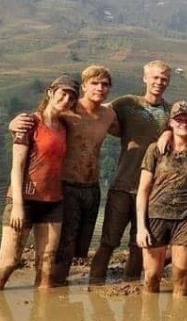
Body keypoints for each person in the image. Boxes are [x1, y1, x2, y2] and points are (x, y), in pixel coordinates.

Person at [8, 65, 117, 285]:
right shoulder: (69, 109)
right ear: (84, 86)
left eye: (105, 84)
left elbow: (132, 129)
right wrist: (14, 125)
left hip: (90, 187)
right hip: (64, 186)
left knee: (77, 248)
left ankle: (58, 291)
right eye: (94, 83)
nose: (100, 88)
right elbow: (42, 119)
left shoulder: (109, 113)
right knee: (60, 248)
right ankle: (54, 284)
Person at [90, 60, 172, 283]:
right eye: (155, 77)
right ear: (145, 78)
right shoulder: (127, 103)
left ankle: (131, 286)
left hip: (151, 190)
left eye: (164, 78)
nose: (159, 82)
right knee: (108, 241)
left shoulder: (170, 112)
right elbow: (95, 109)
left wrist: (169, 133)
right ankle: (94, 284)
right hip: (122, 186)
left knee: (139, 244)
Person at [0, 75, 79, 290]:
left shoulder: (65, 126)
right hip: (24, 199)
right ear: (51, 92)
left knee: (46, 264)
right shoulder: (29, 122)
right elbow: (17, 166)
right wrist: (17, 205)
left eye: (72, 97)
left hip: (53, 201)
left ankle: (44, 317)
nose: (67, 100)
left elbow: (97, 108)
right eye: (63, 93)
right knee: (8, 262)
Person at [135, 102, 187, 296]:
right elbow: (143, 190)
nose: (184, 124)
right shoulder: (155, 149)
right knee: (152, 276)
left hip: (186, 217)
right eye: (179, 120)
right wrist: (141, 227)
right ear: (171, 122)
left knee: (182, 276)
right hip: (156, 215)